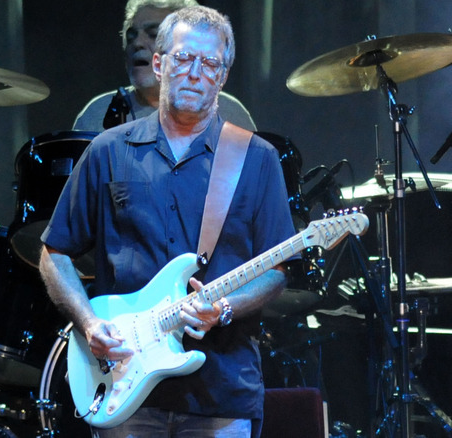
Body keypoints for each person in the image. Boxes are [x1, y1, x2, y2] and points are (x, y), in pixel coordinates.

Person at [39, 5, 296, 437]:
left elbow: (276, 270)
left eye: (209, 63)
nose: (195, 72)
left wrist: (225, 308)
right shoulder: (107, 151)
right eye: (182, 58)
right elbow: (54, 252)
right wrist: (88, 323)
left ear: (223, 75)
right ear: (159, 64)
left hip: (221, 390)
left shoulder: (256, 158)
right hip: (123, 384)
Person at [73, 0, 256, 133]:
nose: (137, 43)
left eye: (153, 34)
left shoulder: (230, 112)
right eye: (131, 36)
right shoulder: (96, 115)